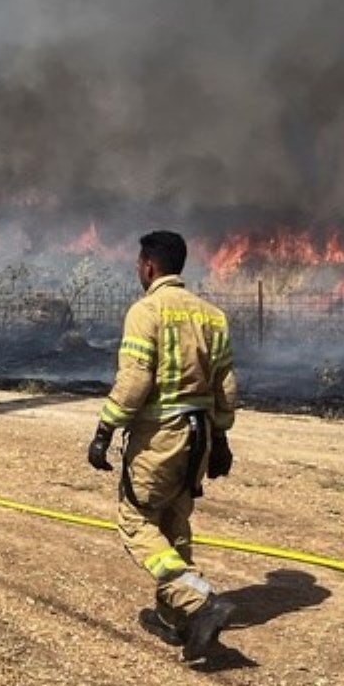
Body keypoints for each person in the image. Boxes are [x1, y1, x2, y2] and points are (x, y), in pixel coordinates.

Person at [87, 230, 238, 661]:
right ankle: (176, 621)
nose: (138, 271)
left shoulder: (146, 311)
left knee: (135, 521)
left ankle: (200, 602)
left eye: (139, 264)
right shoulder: (212, 316)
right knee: (175, 522)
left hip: (160, 438)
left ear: (149, 266)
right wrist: (221, 438)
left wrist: (105, 430)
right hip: (200, 437)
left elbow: (135, 379)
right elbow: (226, 385)